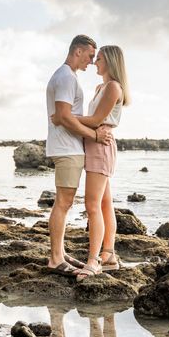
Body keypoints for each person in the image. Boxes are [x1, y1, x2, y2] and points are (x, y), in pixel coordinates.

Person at [52, 45, 131, 281]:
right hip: (94, 145)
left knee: (92, 205)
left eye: (99, 59)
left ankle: (93, 261)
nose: (95, 62)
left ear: (110, 61)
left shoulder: (114, 87)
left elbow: (96, 120)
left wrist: (65, 118)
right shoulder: (100, 87)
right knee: (105, 204)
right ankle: (109, 255)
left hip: (101, 145)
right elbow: (94, 121)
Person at [45, 35, 113, 275]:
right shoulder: (65, 77)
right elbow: (63, 116)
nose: (91, 61)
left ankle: (60, 254)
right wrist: (94, 136)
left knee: (64, 202)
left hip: (69, 148)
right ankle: (55, 259)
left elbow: (65, 116)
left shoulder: (67, 77)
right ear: (77, 52)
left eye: (95, 58)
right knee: (63, 203)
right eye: (89, 56)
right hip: (66, 149)